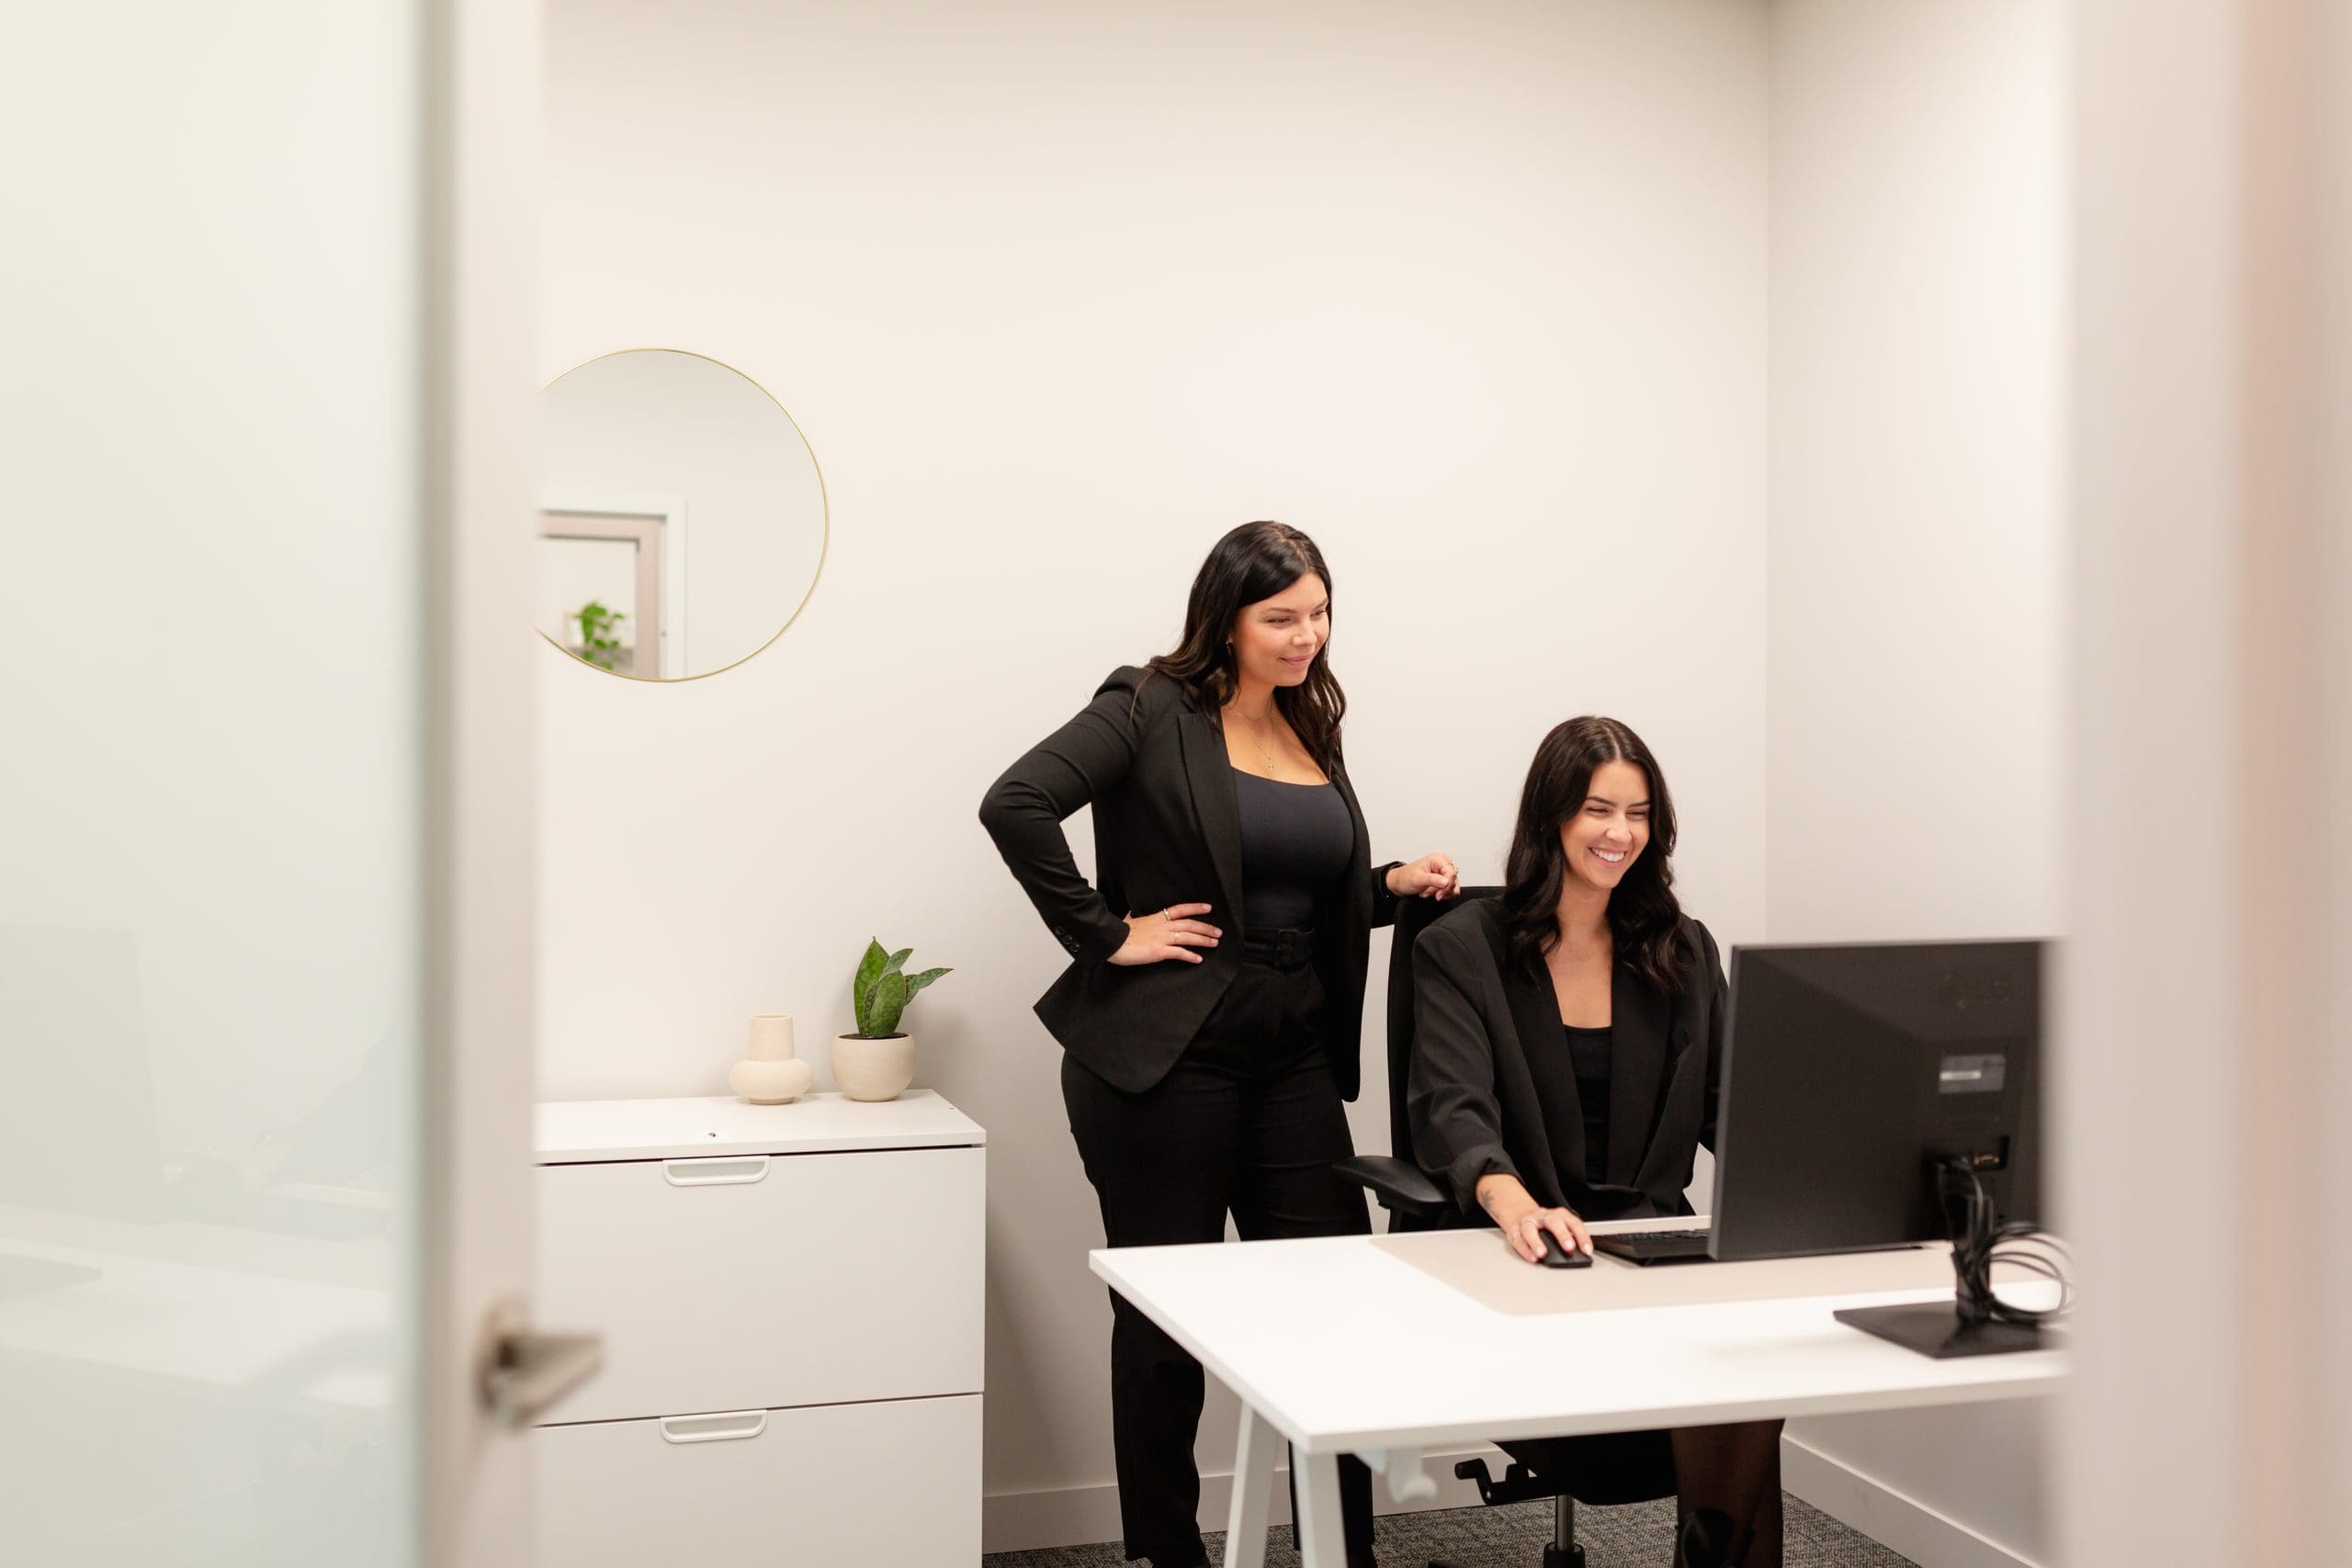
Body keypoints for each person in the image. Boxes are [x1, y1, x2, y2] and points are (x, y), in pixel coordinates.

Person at [980, 521, 1459, 1568]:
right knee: (1168, 1324)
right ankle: (1167, 1554)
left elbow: (1283, 902)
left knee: (1331, 1302)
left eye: (1319, 613)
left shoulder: (1308, 728)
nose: (1306, 637)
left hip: (1287, 1052)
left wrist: (1388, 888)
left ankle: (1343, 1552)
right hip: (1163, 1059)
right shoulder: (1148, 708)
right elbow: (1014, 802)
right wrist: (1107, 934)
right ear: (1226, 619)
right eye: (1280, 617)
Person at [1406, 716, 1783, 1568]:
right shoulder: (1461, 949)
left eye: (1639, 813)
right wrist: (1511, 1202)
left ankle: (1709, 1552)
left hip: (1648, 1246)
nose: (1620, 833)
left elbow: (1733, 1109)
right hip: (1524, 1251)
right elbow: (1451, 1109)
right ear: (1552, 817)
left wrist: (1820, 1182)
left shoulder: (1681, 949)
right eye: (1598, 810)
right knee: (1722, 1389)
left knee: (1757, 1357)